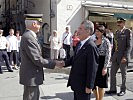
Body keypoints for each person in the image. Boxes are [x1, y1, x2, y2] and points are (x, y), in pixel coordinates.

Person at [19, 14, 62, 100]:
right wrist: (54, 63)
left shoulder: (29, 36)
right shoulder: (28, 37)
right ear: (34, 24)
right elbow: (37, 59)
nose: (40, 26)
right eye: (39, 23)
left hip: (32, 76)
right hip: (31, 77)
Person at [61, 20, 99, 100]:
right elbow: (74, 58)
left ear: (88, 31)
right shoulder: (80, 44)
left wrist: (89, 86)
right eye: (78, 28)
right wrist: (64, 63)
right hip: (77, 84)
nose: (78, 31)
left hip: (84, 85)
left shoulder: (91, 46)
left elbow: (92, 68)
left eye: (80, 29)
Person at [106, 17, 132, 96]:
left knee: (123, 74)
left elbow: (129, 46)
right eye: (118, 22)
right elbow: (114, 46)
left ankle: (123, 90)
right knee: (112, 73)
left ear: (124, 23)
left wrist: (125, 57)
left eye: (120, 22)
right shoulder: (117, 32)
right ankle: (113, 89)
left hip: (123, 56)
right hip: (115, 56)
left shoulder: (128, 31)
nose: (118, 24)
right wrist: (112, 56)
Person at [93, 25, 111, 100]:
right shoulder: (93, 41)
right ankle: (97, 98)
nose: (96, 33)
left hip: (102, 63)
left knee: (101, 85)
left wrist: (105, 67)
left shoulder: (106, 41)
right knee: (93, 84)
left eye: (98, 31)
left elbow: (108, 54)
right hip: (94, 64)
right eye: (96, 31)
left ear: (102, 32)